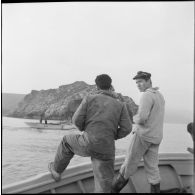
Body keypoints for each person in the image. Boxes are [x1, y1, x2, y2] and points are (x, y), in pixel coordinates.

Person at [48, 74, 132, 193]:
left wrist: (85, 130)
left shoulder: (89, 99)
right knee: (103, 188)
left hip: (88, 143)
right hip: (107, 149)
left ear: (97, 87)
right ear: (111, 86)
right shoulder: (120, 105)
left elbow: (76, 120)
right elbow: (127, 128)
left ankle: (56, 171)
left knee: (66, 141)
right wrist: (113, 135)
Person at [111, 71, 165, 193]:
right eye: (136, 83)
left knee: (127, 167)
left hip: (143, 136)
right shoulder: (160, 95)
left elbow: (142, 118)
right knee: (153, 170)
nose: (138, 85)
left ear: (148, 81)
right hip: (156, 138)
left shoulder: (147, 95)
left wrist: (132, 119)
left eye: (140, 81)